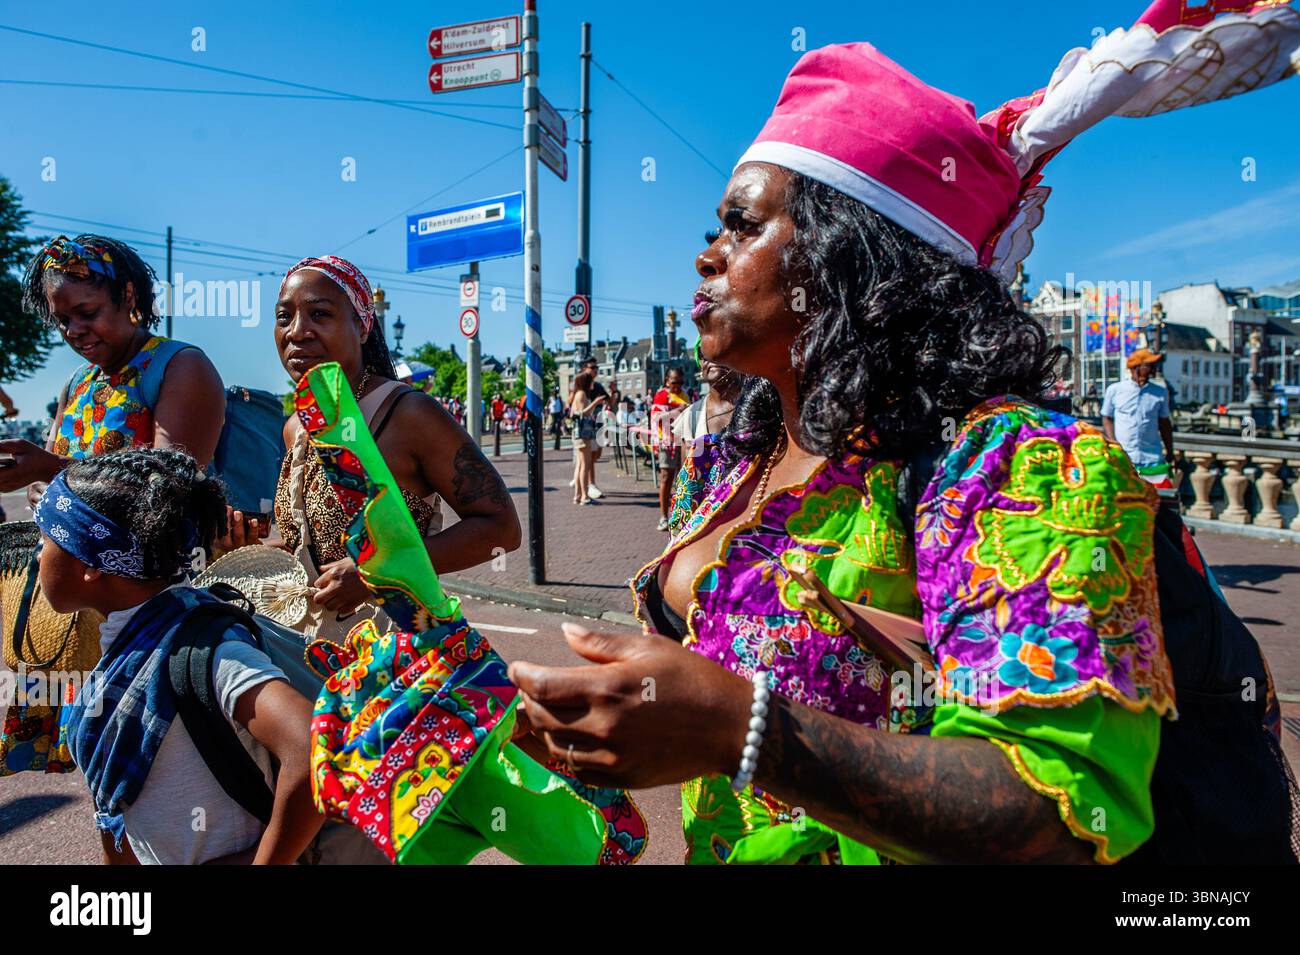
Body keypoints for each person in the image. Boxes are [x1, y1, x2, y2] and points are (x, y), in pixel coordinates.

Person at [499, 4, 1296, 863]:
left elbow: (1063, 815)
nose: (707, 255)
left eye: (742, 224)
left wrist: (742, 732)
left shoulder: (1020, 466)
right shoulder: (741, 462)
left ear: (854, 252)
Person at [43, 448, 321, 864]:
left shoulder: (203, 648)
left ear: (91, 564)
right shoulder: (135, 638)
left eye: (47, 539)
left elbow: (314, 744)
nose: (37, 554)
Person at [228, 255, 520, 639]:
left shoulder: (407, 414)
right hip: (311, 646)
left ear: (363, 326)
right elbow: (318, 543)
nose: (297, 332)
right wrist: (254, 545)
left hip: (395, 651)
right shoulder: (296, 426)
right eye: (285, 317)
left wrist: (377, 572)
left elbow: (501, 529)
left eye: (319, 314)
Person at [1, 235, 226, 513]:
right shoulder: (77, 383)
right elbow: (46, 477)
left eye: (88, 312)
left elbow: (172, 488)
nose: (73, 330)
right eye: (62, 320)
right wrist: (37, 488)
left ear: (128, 296)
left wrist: (53, 470)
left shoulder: (180, 367)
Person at [667, 355, 744, 535]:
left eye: (720, 354)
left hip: (748, 519)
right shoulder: (691, 415)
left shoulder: (757, 410)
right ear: (700, 367)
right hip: (705, 525)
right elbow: (686, 483)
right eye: (704, 356)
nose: (712, 359)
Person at [1102, 349, 1175, 487]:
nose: (1154, 369)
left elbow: (1164, 424)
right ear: (1136, 367)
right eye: (1149, 365)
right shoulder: (1115, 390)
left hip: (1152, 457)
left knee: (1157, 498)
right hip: (1124, 455)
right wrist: (1112, 441)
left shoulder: (1160, 393)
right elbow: (1107, 417)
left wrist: (1170, 451)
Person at [650, 368, 689, 531]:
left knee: (683, 479)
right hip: (667, 442)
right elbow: (655, 418)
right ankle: (663, 517)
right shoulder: (661, 396)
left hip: (683, 442)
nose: (678, 386)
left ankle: (681, 515)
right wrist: (675, 411)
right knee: (666, 478)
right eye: (674, 382)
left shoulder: (686, 395)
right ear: (667, 381)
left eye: (681, 382)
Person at [569, 370, 606, 506]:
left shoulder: (577, 394)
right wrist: (595, 403)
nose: (593, 383)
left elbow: (574, 413)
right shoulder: (582, 394)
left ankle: (578, 495)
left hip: (579, 434)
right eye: (591, 381)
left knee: (580, 465)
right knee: (585, 465)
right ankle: (584, 496)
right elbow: (583, 413)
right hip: (583, 434)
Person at [580, 357, 609, 499]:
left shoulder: (597, 386)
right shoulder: (580, 388)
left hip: (598, 423)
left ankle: (582, 477)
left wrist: (614, 393)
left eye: (596, 368)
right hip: (587, 426)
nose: (595, 370)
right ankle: (591, 484)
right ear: (585, 369)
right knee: (589, 457)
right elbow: (576, 407)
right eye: (592, 367)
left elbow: (610, 400)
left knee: (597, 454)